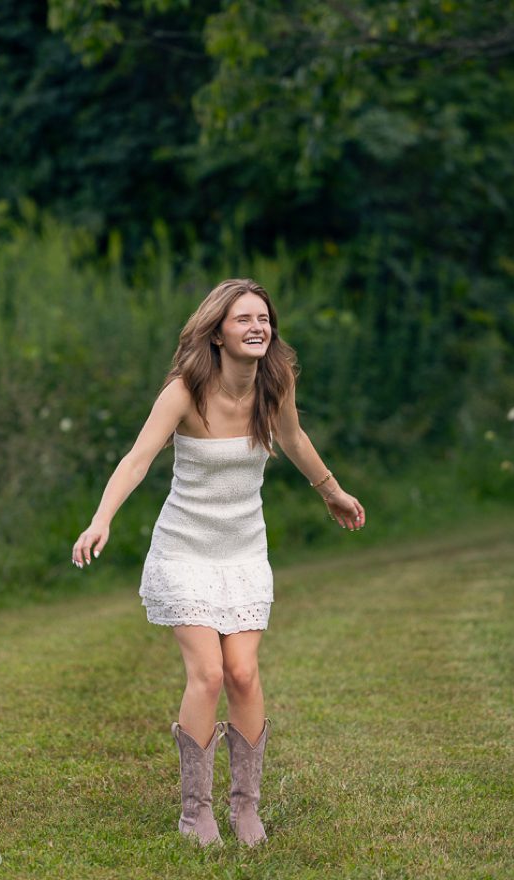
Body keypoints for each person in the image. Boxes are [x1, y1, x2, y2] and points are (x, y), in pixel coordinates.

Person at [71, 278, 365, 848]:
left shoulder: (273, 387)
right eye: (243, 319)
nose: (257, 327)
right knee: (207, 675)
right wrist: (101, 518)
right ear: (218, 333)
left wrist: (330, 489)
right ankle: (194, 813)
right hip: (184, 550)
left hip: (244, 552)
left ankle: (245, 808)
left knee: (244, 673)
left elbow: (295, 438)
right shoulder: (185, 390)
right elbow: (137, 459)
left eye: (264, 318)